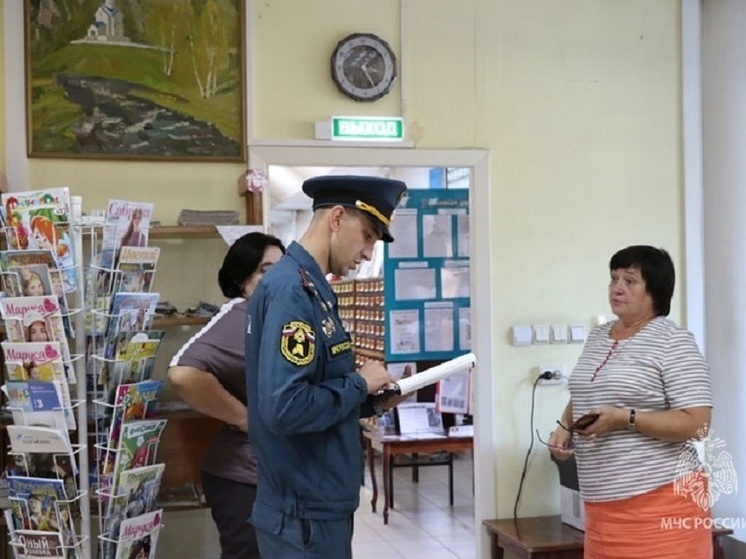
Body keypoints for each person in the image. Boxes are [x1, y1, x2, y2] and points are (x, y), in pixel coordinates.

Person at [245, 175, 409, 559]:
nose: (369, 253)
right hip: (302, 512)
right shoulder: (292, 291)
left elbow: (312, 388)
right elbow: (286, 407)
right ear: (337, 218)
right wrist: (357, 385)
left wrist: (370, 401)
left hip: (315, 502)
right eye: (368, 235)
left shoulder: (312, 288)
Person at [547, 245, 712, 558]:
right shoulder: (599, 336)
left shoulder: (673, 341)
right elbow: (586, 391)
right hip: (602, 508)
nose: (617, 288)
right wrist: (564, 428)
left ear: (655, 291)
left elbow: (698, 424)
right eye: (613, 279)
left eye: (630, 281)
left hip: (662, 504)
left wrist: (627, 418)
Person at [168, 232, 286, 559]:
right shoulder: (242, 314)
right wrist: (246, 420)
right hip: (243, 476)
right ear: (242, 280)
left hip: (267, 475)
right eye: (265, 270)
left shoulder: (272, 319)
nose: (277, 278)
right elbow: (183, 373)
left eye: (282, 268)